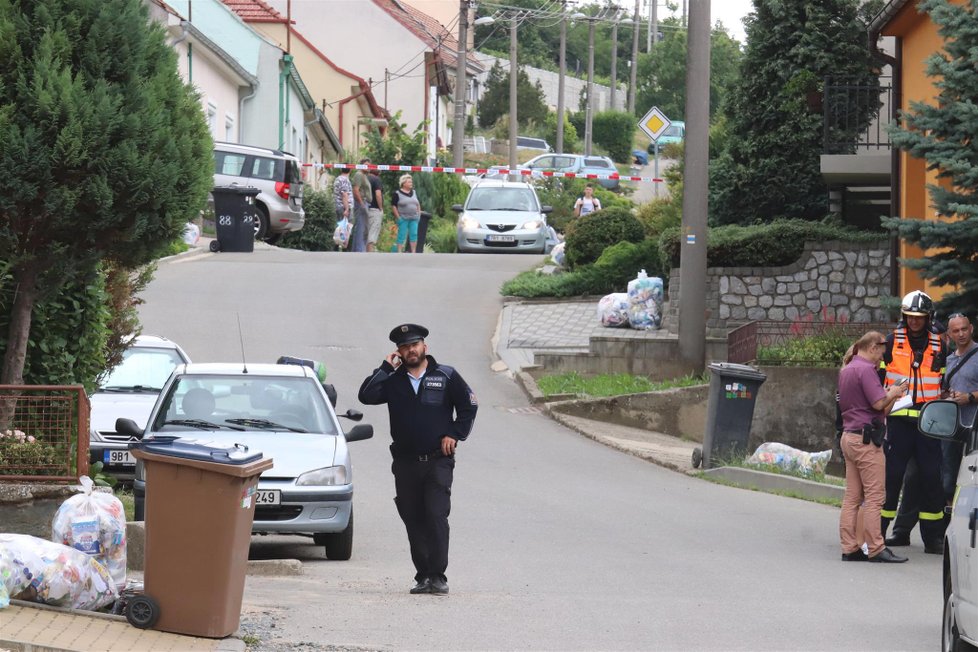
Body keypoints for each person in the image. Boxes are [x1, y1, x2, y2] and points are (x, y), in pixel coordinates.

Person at [357, 324, 478, 596]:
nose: (411, 349)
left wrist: (454, 433)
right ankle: (422, 575)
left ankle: (438, 575)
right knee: (413, 517)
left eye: (415, 344)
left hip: (438, 460)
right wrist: (385, 369)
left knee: (436, 515)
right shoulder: (393, 380)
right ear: (398, 352)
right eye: (404, 346)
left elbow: (469, 406)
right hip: (405, 462)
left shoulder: (445, 375)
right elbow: (366, 396)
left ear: (425, 346)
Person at [880, 290, 949, 553]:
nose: (914, 321)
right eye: (910, 316)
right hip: (898, 421)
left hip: (928, 422)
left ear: (928, 317)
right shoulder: (891, 341)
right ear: (904, 316)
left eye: (919, 317)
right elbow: (879, 379)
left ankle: (932, 539)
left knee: (931, 478)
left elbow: (942, 380)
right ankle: (879, 534)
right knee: (892, 477)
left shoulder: (939, 344)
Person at [838, 331, 908, 562]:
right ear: (872, 347)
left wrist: (892, 398)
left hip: (850, 436)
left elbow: (875, 409)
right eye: (881, 352)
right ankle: (876, 547)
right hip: (866, 441)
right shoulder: (866, 370)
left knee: (852, 497)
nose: (882, 358)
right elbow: (878, 403)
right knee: (875, 496)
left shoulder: (847, 369)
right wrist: (894, 392)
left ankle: (850, 547)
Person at [941, 313, 978, 505]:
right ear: (950, 334)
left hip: (975, 430)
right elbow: (944, 390)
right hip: (952, 429)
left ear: (971, 328)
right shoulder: (948, 361)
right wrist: (947, 396)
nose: (961, 333)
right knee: (949, 481)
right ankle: (951, 523)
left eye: (964, 328)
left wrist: (970, 397)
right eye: (956, 330)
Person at [391, 174, 422, 253]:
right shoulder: (397, 193)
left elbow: (417, 204)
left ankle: (413, 252)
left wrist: (419, 214)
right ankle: (399, 251)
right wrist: (398, 218)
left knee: (414, 234)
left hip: (414, 218)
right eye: (409, 182)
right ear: (403, 183)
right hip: (403, 218)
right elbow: (394, 206)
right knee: (402, 234)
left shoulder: (414, 192)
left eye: (411, 182)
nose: (411, 184)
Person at [350, 159, 372, 252]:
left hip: (364, 202)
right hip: (361, 202)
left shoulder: (364, 176)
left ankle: (356, 249)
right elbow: (356, 190)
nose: (368, 167)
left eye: (369, 165)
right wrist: (362, 203)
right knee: (361, 227)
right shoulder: (359, 175)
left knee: (361, 226)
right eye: (366, 165)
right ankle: (359, 249)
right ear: (361, 165)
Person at [333, 168, 353, 249]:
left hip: (338, 206)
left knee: (340, 229)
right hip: (343, 207)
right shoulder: (344, 180)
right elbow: (344, 194)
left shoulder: (338, 179)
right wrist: (347, 209)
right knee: (344, 230)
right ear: (350, 170)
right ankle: (343, 248)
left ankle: (337, 247)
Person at [366, 164, 384, 252]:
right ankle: (370, 253)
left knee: (366, 231)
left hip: (365, 208)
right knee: (372, 233)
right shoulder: (376, 179)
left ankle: (365, 252)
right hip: (375, 209)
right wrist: (380, 207)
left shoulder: (365, 178)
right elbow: (378, 194)